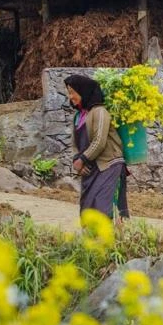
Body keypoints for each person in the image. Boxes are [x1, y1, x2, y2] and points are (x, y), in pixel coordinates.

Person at [65, 73, 129, 223]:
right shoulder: (78, 116)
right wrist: (77, 160)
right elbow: (75, 144)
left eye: (72, 92)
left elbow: (99, 141)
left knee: (102, 208)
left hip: (108, 165)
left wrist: (82, 159)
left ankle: (110, 236)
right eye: (69, 93)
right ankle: (92, 237)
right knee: (87, 208)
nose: (70, 97)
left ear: (83, 91)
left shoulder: (100, 112)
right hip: (91, 167)